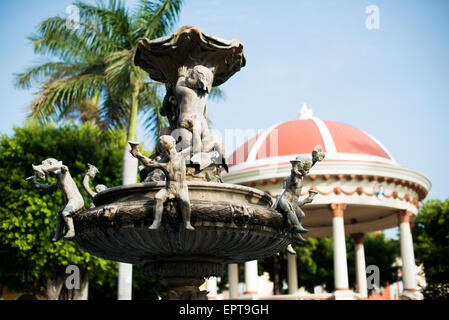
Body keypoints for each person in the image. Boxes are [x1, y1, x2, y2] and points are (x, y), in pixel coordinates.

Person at [128, 136, 194, 231]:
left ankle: (187, 223)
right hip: (168, 187)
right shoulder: (164, 161)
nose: (167, 153)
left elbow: (194, 147)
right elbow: (149, 163)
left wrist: (196, 133)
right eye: (165, 151)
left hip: (181, 186)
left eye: (168, 150)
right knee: (158, 198)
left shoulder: (182, 155)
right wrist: (137, 154)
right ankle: (156, 222)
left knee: (185, 201)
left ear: (174, 144)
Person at [26, 158, 84, 241]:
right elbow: (47, 187)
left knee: (65, 213)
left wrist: (45, 168)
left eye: (49, 172)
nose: (49, 174)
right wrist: (34, 182)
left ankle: (72, 231)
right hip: (69, 202)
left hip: (76, 200)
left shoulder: (63, 173)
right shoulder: (58, 181)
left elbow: (63, 167)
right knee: (59, 215)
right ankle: (58, 234)